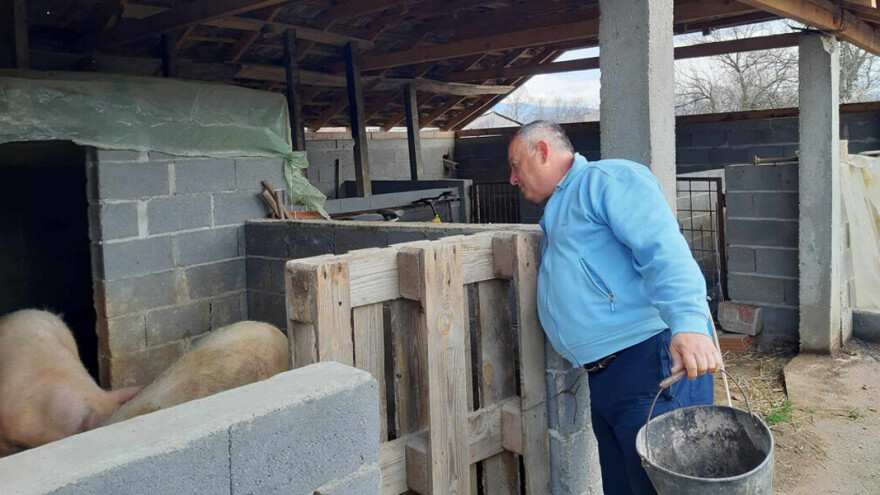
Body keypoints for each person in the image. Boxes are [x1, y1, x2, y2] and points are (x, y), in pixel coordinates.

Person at [507, 121, 720, 494]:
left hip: (652, 364)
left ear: (542, 151)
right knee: (624, 485)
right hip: (607, 377)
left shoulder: (606, 180)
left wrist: (689, 322)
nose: (512, 178)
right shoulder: (559, 208)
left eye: (515, 165)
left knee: (662, 484)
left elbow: (663, 249)